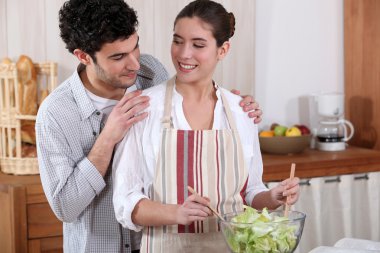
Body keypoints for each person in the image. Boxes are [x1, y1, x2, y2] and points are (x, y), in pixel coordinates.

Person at [35, 0, 262, 252]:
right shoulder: (55, 114)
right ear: (83, 56)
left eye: (135, 47)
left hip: (156, 242)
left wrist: (234, 106)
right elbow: (66, 208)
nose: (134, 63)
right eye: (119, 57)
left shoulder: (151, 72)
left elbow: (184, 101)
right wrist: (108, 138)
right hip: (100, 246)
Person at [112, 0, 300, 252]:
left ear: (223, 50)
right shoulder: (144, 108)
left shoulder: (240, 112)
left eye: (198, 44)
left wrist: (272, 197)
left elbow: (251, 192)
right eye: (177, 41)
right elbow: (126, 202)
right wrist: (176, 213)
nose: (183, 53)